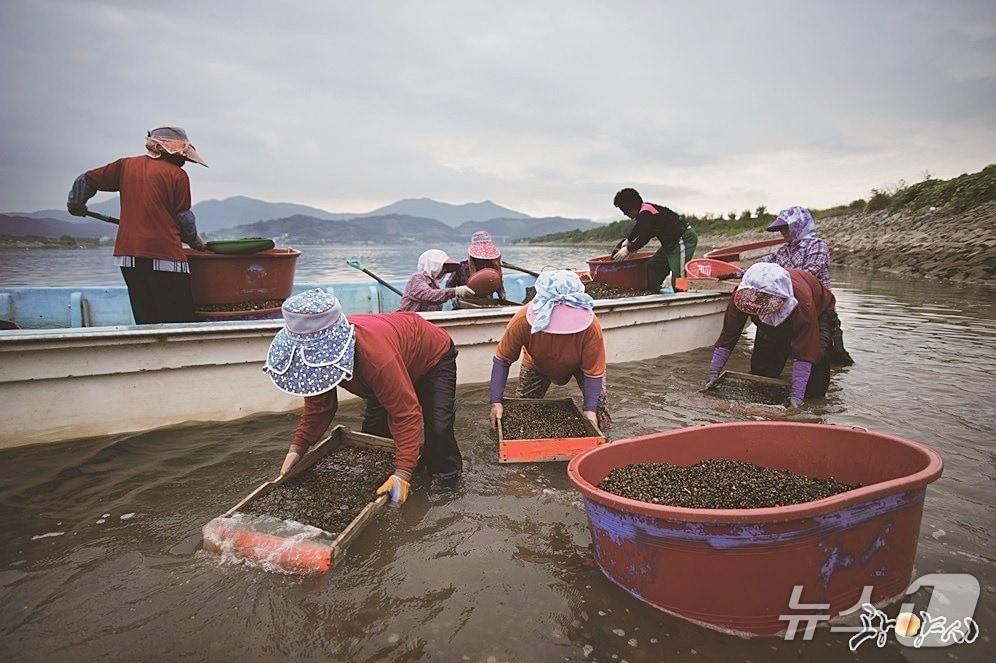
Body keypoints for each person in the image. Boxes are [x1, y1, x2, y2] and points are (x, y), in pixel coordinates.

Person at [264, 289, 461, 505]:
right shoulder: (317, 364)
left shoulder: (374, 358)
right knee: (374, 433)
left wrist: (403, 473)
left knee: (439, 430)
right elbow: (319, 408)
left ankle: (447, 488)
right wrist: (297, 449)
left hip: (432, 356)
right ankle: (394, 479)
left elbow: (405, 413)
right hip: (391, 362)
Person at [66, 126, 210, 324]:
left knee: (146, 315)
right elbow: (183, 216)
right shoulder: (178, 176)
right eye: (183, 156)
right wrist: (195, 240)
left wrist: (76, 204)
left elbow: (86, 180)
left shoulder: (125, 166)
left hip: (128, 256)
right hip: (164, 254)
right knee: (179, 317)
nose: (184, 160)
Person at [488, 270, 609, 430]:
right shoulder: (522, 321)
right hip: (537, 364)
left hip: (580, 366)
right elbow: (502, 360)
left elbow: (593, 372)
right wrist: (496, 401)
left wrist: (590, 410)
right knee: (522, 413)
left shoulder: (590, 327)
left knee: (599, 414)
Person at [707, 263, 835, 407]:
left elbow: (805, 353)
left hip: (818, 312)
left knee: (816, 361)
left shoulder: (803, 303)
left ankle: (811, 402)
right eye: (752, 299)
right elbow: (729, 335)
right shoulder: (743, 295)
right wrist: (713, 374)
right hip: (770, 320)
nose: (754, 302)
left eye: (761, 300)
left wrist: (796, 398)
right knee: (762, 371)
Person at [759, 205, 854, 365]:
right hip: (790, 308)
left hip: (818, 310)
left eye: (786, 228)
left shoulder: (817, 246)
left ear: (797, 225)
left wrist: (776, 278)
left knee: (820, 358)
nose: (783, 232)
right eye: (781, 229)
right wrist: (740, 273)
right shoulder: (782, 251)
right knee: (777, 352)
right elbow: (762, 266)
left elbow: (808, 274)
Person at [611, 188, 698, 292]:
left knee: (679, 272)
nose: (625, 214)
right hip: (669, 244)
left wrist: (629, 249)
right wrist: (629, 240)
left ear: (630, 208)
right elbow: (639, 227)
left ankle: (683, 294)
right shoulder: (644, 212)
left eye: (624, 211)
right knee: (654, 266)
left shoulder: (647, 212)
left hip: (682, 238)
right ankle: (654, 291)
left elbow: (645, 236)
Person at [397, 249, 474, 312]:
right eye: (442, 267)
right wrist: (455, 291)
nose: (444, 271)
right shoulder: (417, 277)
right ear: (433, 265)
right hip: (406, 321)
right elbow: (428, 295)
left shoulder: (436, 286)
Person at [449, 230, 507, 300]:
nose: (482, 260)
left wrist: (502, 296)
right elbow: (449, 286)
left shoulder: (493, 266)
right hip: (465, 301)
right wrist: (455, 295)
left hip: (487, 301)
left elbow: (499, 285)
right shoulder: (461, 267)